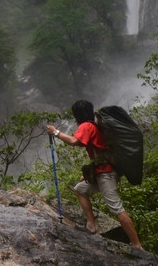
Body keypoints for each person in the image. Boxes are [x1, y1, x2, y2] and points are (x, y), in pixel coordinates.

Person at [46, 99, 142, 248]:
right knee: (80, 189)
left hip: (106, 174)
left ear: (78, 115)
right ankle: (91, 225)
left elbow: (73, 141)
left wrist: (56, 132)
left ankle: (137, 245)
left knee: (116, 208)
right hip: (104, 171)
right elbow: (94, 149)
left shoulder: (86, 126)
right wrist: (90, 173)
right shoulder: (95, 126)